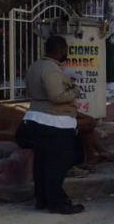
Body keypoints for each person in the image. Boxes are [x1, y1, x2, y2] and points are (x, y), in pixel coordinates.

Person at [23, 36, 85, 214]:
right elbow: (57, 97)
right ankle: (57, 202)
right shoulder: (50, 69)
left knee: (42, 163)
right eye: (65, 50)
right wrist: (74, 90)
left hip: (37, 119)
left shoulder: (36, 66)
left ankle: (42, 199)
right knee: (57, 164)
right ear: (61, 50)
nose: (66, 53)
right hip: (54, 122)